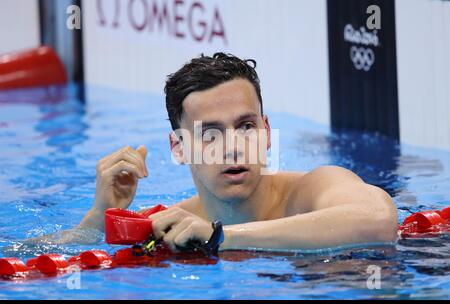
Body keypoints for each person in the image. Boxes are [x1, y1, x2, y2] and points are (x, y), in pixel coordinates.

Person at [76, 53, 398, 252]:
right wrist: (97, 218)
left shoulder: (310, 192)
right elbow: (32, 260)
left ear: (266, 132)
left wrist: (220, 237)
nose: (233, 149)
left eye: (246, 127)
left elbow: (379, 219)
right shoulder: (177, 225)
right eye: (210, 134)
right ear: (179, 148)